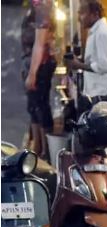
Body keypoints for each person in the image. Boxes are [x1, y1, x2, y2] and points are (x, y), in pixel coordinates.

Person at [64, 0, 107, 115]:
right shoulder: (96, 32)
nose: (79, 18)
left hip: (106, 94)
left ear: (95, 14)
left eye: (82, 13)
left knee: (103, 131)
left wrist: (78, 65)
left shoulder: (104, 32)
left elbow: (105, 65)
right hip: (100, 93)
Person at [22, 0, 56, 160]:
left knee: (41, 105)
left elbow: (40, 44)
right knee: (33, 106)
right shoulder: (35, 6)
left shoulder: (43, 7)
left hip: (40, 64)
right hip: (31, 62)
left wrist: (33, 73)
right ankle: (37, 146)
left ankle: (46, 151)